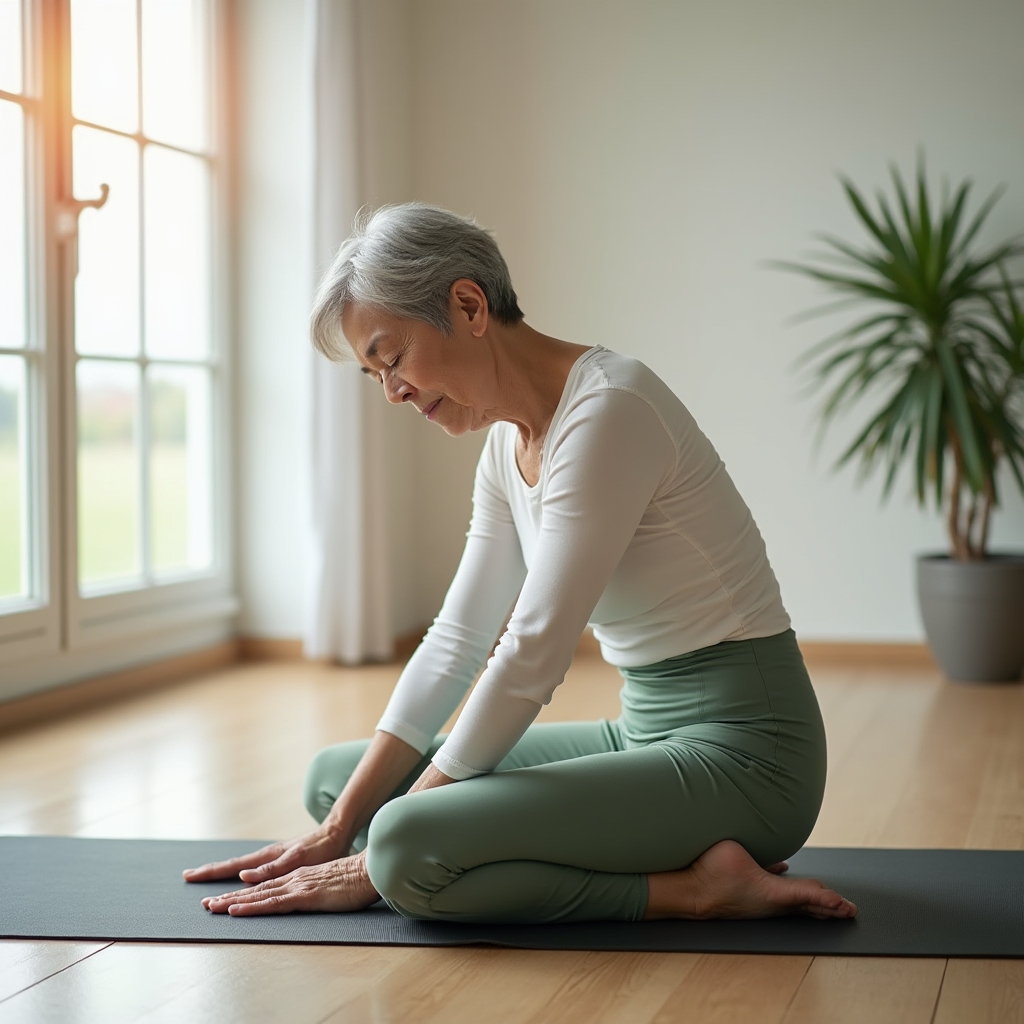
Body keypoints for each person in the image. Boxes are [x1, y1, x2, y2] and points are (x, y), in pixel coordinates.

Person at [186, 204, 857, 924]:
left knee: (404, 845)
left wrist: (379, 849)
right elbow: (456, 640)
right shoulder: (506, 447)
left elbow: (532, 650)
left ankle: (695, 889)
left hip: (751, 755)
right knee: (339, 784)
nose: (392, 392)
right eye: (373, 375)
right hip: (644, 732)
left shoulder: (609, 410)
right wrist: (338, 830)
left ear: (469, 305)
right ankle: (674, 849)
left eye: (394, 357)